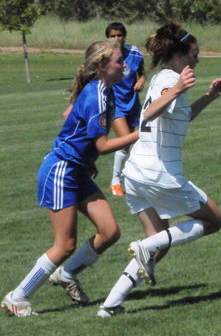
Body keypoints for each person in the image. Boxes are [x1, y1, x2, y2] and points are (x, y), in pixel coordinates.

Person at [97, 23, 221, 318]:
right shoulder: (170, 79)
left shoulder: (162, 78)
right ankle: (146, 246)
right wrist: (179, 88)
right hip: (158, 173)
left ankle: (111, 304)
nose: (197, 59)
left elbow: (180, 115)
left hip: (136, 172)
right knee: (214, 220)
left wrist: (209, 96)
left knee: (160, 241)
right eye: (194, 53)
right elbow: (150, 111)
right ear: (179, 54)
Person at [1, 40, 139, 317]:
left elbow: (71, 116)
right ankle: (17, 297)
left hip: (77, 170)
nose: (124, 64)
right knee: (65, 245)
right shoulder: (97, 95)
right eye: (118, 60)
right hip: (61, 171)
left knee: (110, 231)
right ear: (102, 65)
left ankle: (67, 274)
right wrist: (141, 133)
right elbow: (102, 145)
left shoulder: (105, 91)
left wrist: (86, 158)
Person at [105, 22, 146, 197]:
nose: (116, 39)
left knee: (127, 144)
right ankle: (116, 181)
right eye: (112, 36)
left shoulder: (134, 53)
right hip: (114, 104)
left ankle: (124, 178)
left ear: (124, 36)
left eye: (119, 35)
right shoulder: (104, 55)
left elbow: (142, 72)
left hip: (132, 102)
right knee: (126, 140)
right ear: (107, 37)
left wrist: (142, 79)